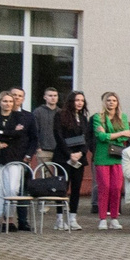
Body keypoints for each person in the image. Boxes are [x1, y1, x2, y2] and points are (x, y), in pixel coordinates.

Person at [0, 88, 39, 233]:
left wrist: (0, 133)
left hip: (14, 157)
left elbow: (19, 134)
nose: (8, 104)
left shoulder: (19, 117)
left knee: (12, 189)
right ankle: (0, 219)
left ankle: (10, 218)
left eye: (10, 101)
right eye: (5, 101)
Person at [90, 92, 130, 229]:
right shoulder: (98, 117)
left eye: (114, 100)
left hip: (117, 156)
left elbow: (127, 136)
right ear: (104, 102)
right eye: (108, 100)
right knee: (105, 187)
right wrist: (119, 134)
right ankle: (102, 218)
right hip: (102, 157)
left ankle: (114, 218)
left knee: (116, 188)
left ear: (117, 102)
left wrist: (111, 136)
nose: (111, 103)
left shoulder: (122, 117)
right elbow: (101, 137)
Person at [52, 91, 91, 228]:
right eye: (77, 100)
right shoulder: (60, 115)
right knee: (62, 188)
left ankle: (73, 218)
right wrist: (70, 154)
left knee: (76, 187)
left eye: (82, 100)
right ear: (70, 101)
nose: (80, 103)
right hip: (63, 157)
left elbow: (87, 138)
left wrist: (81, 153)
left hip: (79, 158)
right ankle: (59, 219)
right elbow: (58, 136)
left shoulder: (84, 118)